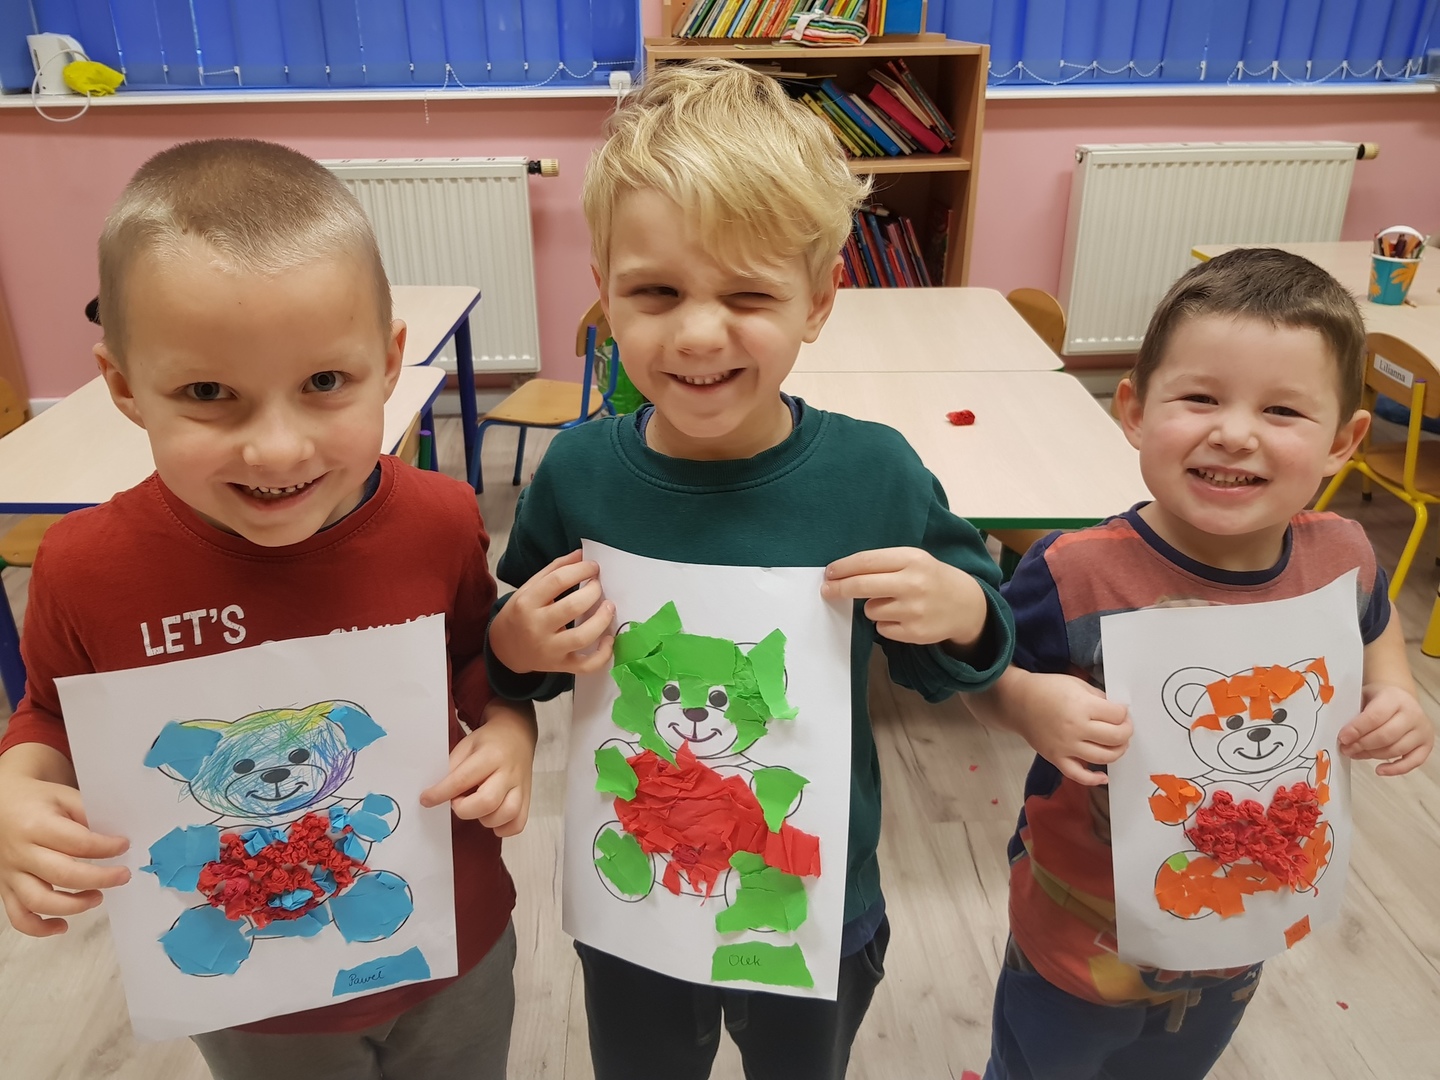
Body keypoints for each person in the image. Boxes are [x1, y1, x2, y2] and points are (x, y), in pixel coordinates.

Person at [482, 58, 1015, 1080]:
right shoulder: (581, 471)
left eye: (749, 294)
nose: (697, 333)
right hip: (639, 902)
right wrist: (514, 642)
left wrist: (960, 608)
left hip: (811, 892)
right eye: (656, 291)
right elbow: (528, 653)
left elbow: (961, 656)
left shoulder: (874, 474)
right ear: (603, 292)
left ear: (819, 299)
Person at [0, 139, 536, 1080]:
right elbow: (50, 714)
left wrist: (510, 730)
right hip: (254, 1001)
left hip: (454, 945)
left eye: (325, 383)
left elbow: (474, 663)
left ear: (389, 362)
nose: (278, 450)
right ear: (124, 387)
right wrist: (16, 791)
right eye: (209, 394)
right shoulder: (85, 568)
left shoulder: (439, 521)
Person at [969, 247, 1436, 1080]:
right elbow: (982, 677)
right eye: (1200, 398)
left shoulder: (1343, 553)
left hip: (1240, 928)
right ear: (1134, 410)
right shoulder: (1074, 573)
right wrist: (1025, 703)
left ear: (1343, 440)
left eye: (1283, 410)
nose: (1235, 432)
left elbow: (1373, 625)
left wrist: (1395, 688)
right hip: (1081, 937)